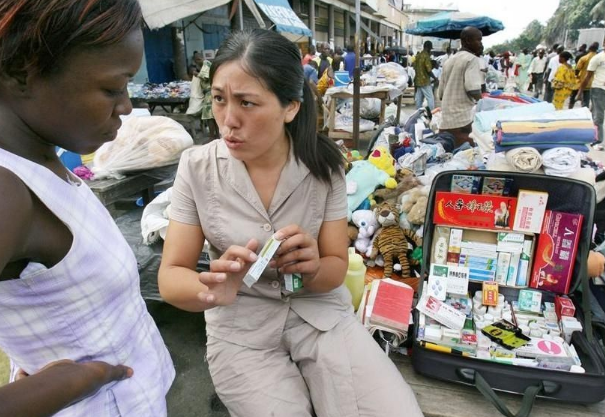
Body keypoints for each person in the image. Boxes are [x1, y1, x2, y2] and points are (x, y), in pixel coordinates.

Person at [158, 29, 424, 417]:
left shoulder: (324, 167)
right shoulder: (197, 169)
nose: (228, 121)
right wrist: (212, 288)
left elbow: (335, 267)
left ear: (290, 107)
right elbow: (170, 276)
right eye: (219, 99)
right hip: (242, 328)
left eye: (247, 103)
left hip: (317, 312)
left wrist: (314, 267)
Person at [0, 1, 175, 416]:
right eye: (113, 88)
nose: (127, 106)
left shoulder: (40, 161)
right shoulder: (7, 191)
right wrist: (59, 388)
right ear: (23, 73)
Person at [438, 26, 483, 148]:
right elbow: (473, 89)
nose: (480, 44)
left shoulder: (449, 61)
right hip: (463, 122)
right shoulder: (471, 59)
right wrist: (485, 103)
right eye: (478, 40)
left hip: (446, 123)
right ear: (468, 41)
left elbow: (440, 94)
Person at [577, 36, 605, 149]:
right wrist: (580, 92)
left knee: (595, 114)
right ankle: (597, 140)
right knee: (599, 116)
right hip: (599, 89)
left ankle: (588, 132)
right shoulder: (597, 58)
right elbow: (588, 77)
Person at [572, 42, 599, 109]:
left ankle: (569, 111)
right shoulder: (599, 59)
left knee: (572, 98)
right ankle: (585, 114)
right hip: (592, 83)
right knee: (586, 101)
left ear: (589, 48)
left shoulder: (584, 58)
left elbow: (577, 69)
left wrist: (575, 76)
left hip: (580, 82)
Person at [413, 40, 436, 110]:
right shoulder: (426, 56)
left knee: (419, 99)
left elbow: (414, 67)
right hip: (425, 81)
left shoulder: (418, 56)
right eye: (430, 49)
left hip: (418, 81)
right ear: (428, 47)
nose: (430, 51)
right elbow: (428, 70)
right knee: (430, 98)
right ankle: (432, 114)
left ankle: (418, 114)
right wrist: (435, 78)